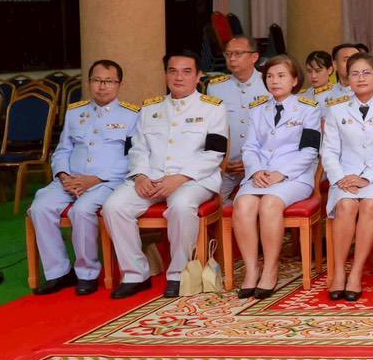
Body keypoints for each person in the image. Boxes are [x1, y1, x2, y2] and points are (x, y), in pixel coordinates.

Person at [101, 51, 227, 299]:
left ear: (198, 76)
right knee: (114, 206)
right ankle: (136, 274)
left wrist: (180, 178)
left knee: (181, 205)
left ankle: (178, 274)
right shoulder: (150, 108)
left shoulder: (213, 108)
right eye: (173, 71)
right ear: (166, 74)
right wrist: (140, 175)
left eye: (186, 71)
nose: (179, 77)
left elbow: (214, 153)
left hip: (194, 179)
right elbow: (138, 148)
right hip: (152, 177)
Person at [28, 59, 139, 296]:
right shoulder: (75, 112)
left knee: (82, 210)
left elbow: (132, 157)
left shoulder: (132, 115)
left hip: (107, 182)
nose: (102, 86)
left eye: (109, 81)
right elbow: (62, 150)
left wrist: (95, 179)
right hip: (70, 179)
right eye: (97, 80)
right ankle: (58, 272)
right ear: (89, 82)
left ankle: (87, 273)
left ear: (119, 84)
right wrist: (63, 175)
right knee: (40, 207)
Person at [231, 55, 321, 298]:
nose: (274, 81)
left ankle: (270, 269)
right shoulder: (258, 109)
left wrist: (281, 173)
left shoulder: (308, 109)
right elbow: (250, 147)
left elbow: (310, 151)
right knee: (243, 204)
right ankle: (252, 270)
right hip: (260, 174)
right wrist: (256, 171)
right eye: (270, 76)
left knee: (270, 204)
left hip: (294, 176)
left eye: (281, 76)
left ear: (294, 80)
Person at [321, 52, 373, 301]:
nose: (361, 78)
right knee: (346, 205)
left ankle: (356, 273)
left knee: (369, 205)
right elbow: (329, 151)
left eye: (366, 73)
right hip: (345, 175)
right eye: (355, 73)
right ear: (347, 77)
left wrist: (367, 178)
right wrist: (340, 178)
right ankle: (339, 272)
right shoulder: (336, 110)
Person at [203, 35, 266, 200]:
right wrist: (221, 162)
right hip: (226, 167)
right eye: (228, 54)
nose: (232, 58)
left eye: (238, 53)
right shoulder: (215, 87)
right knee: (209, 203)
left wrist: (253, 163)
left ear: (254, 57)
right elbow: (210, 130)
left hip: (263, 165)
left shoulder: (269, 84)